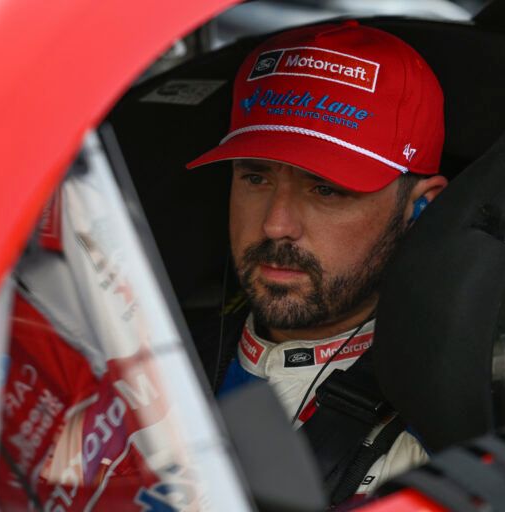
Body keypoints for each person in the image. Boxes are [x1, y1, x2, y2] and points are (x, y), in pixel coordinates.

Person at [187, 20, 447, 502]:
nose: (275, 225)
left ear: (418, 208)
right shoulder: (150, 345)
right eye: (256, 178)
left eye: (326, 190)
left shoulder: (435, 438)